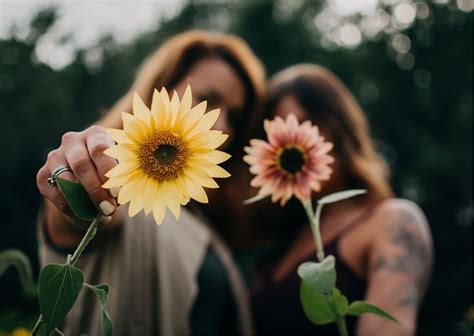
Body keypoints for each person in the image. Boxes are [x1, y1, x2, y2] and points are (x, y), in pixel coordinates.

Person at [36, 30, 265, 335]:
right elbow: (91, 214)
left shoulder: (201, 219)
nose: (221, 126)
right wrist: (72, 180)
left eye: (234, 118)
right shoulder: (120, 186)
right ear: (160, 90)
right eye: (207, 99)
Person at [249, 64, 433, 335]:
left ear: (339, 128)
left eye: (304, 125)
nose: (290, 145)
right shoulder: (285, 243)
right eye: (272, 137)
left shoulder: (391, 221)